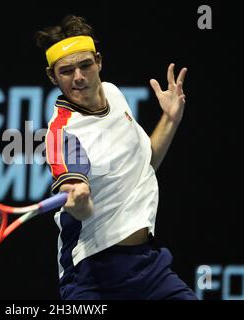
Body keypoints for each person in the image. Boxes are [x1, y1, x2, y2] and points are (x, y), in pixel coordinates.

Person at [35, 15, 197, 300]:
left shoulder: (112, 93)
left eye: (85, 65)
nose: (79, 78)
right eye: (66, 71)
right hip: (93, 276)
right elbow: (78, 203)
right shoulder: (62, 133)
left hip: (148, 266)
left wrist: (170, 119)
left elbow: (144, 166)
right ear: (52, 76)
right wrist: (80, 201)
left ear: (99, 61)